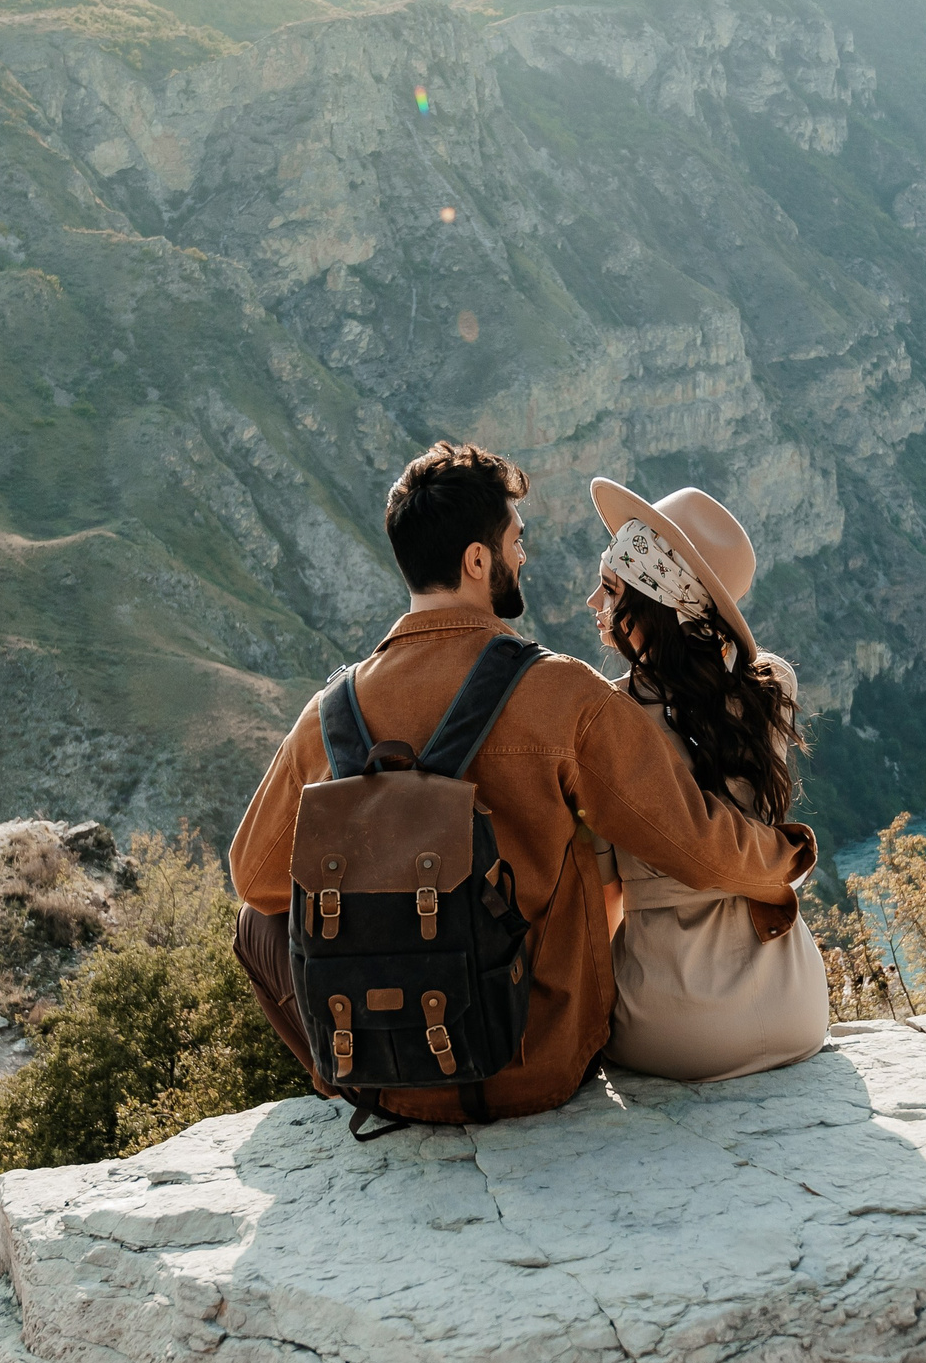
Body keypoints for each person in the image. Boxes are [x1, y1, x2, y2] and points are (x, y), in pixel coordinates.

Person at [227, 442, 816, 1125]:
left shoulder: (329, 715)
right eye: (516, 539)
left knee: (253, 923)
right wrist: (787, 855)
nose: (524, 554)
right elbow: (695, 843)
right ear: (478, 561)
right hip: (535, 1064)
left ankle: (368, 1072)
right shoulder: (562, 693)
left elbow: (256, 880)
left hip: (390, 1080)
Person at [582, 479, 828, 1082]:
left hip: (674, 1024)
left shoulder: (603, 720)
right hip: (797, 1006)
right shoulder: (772, 689)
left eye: (611, 587)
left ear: (656, 603)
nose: (594, 601)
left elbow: (605, 896)